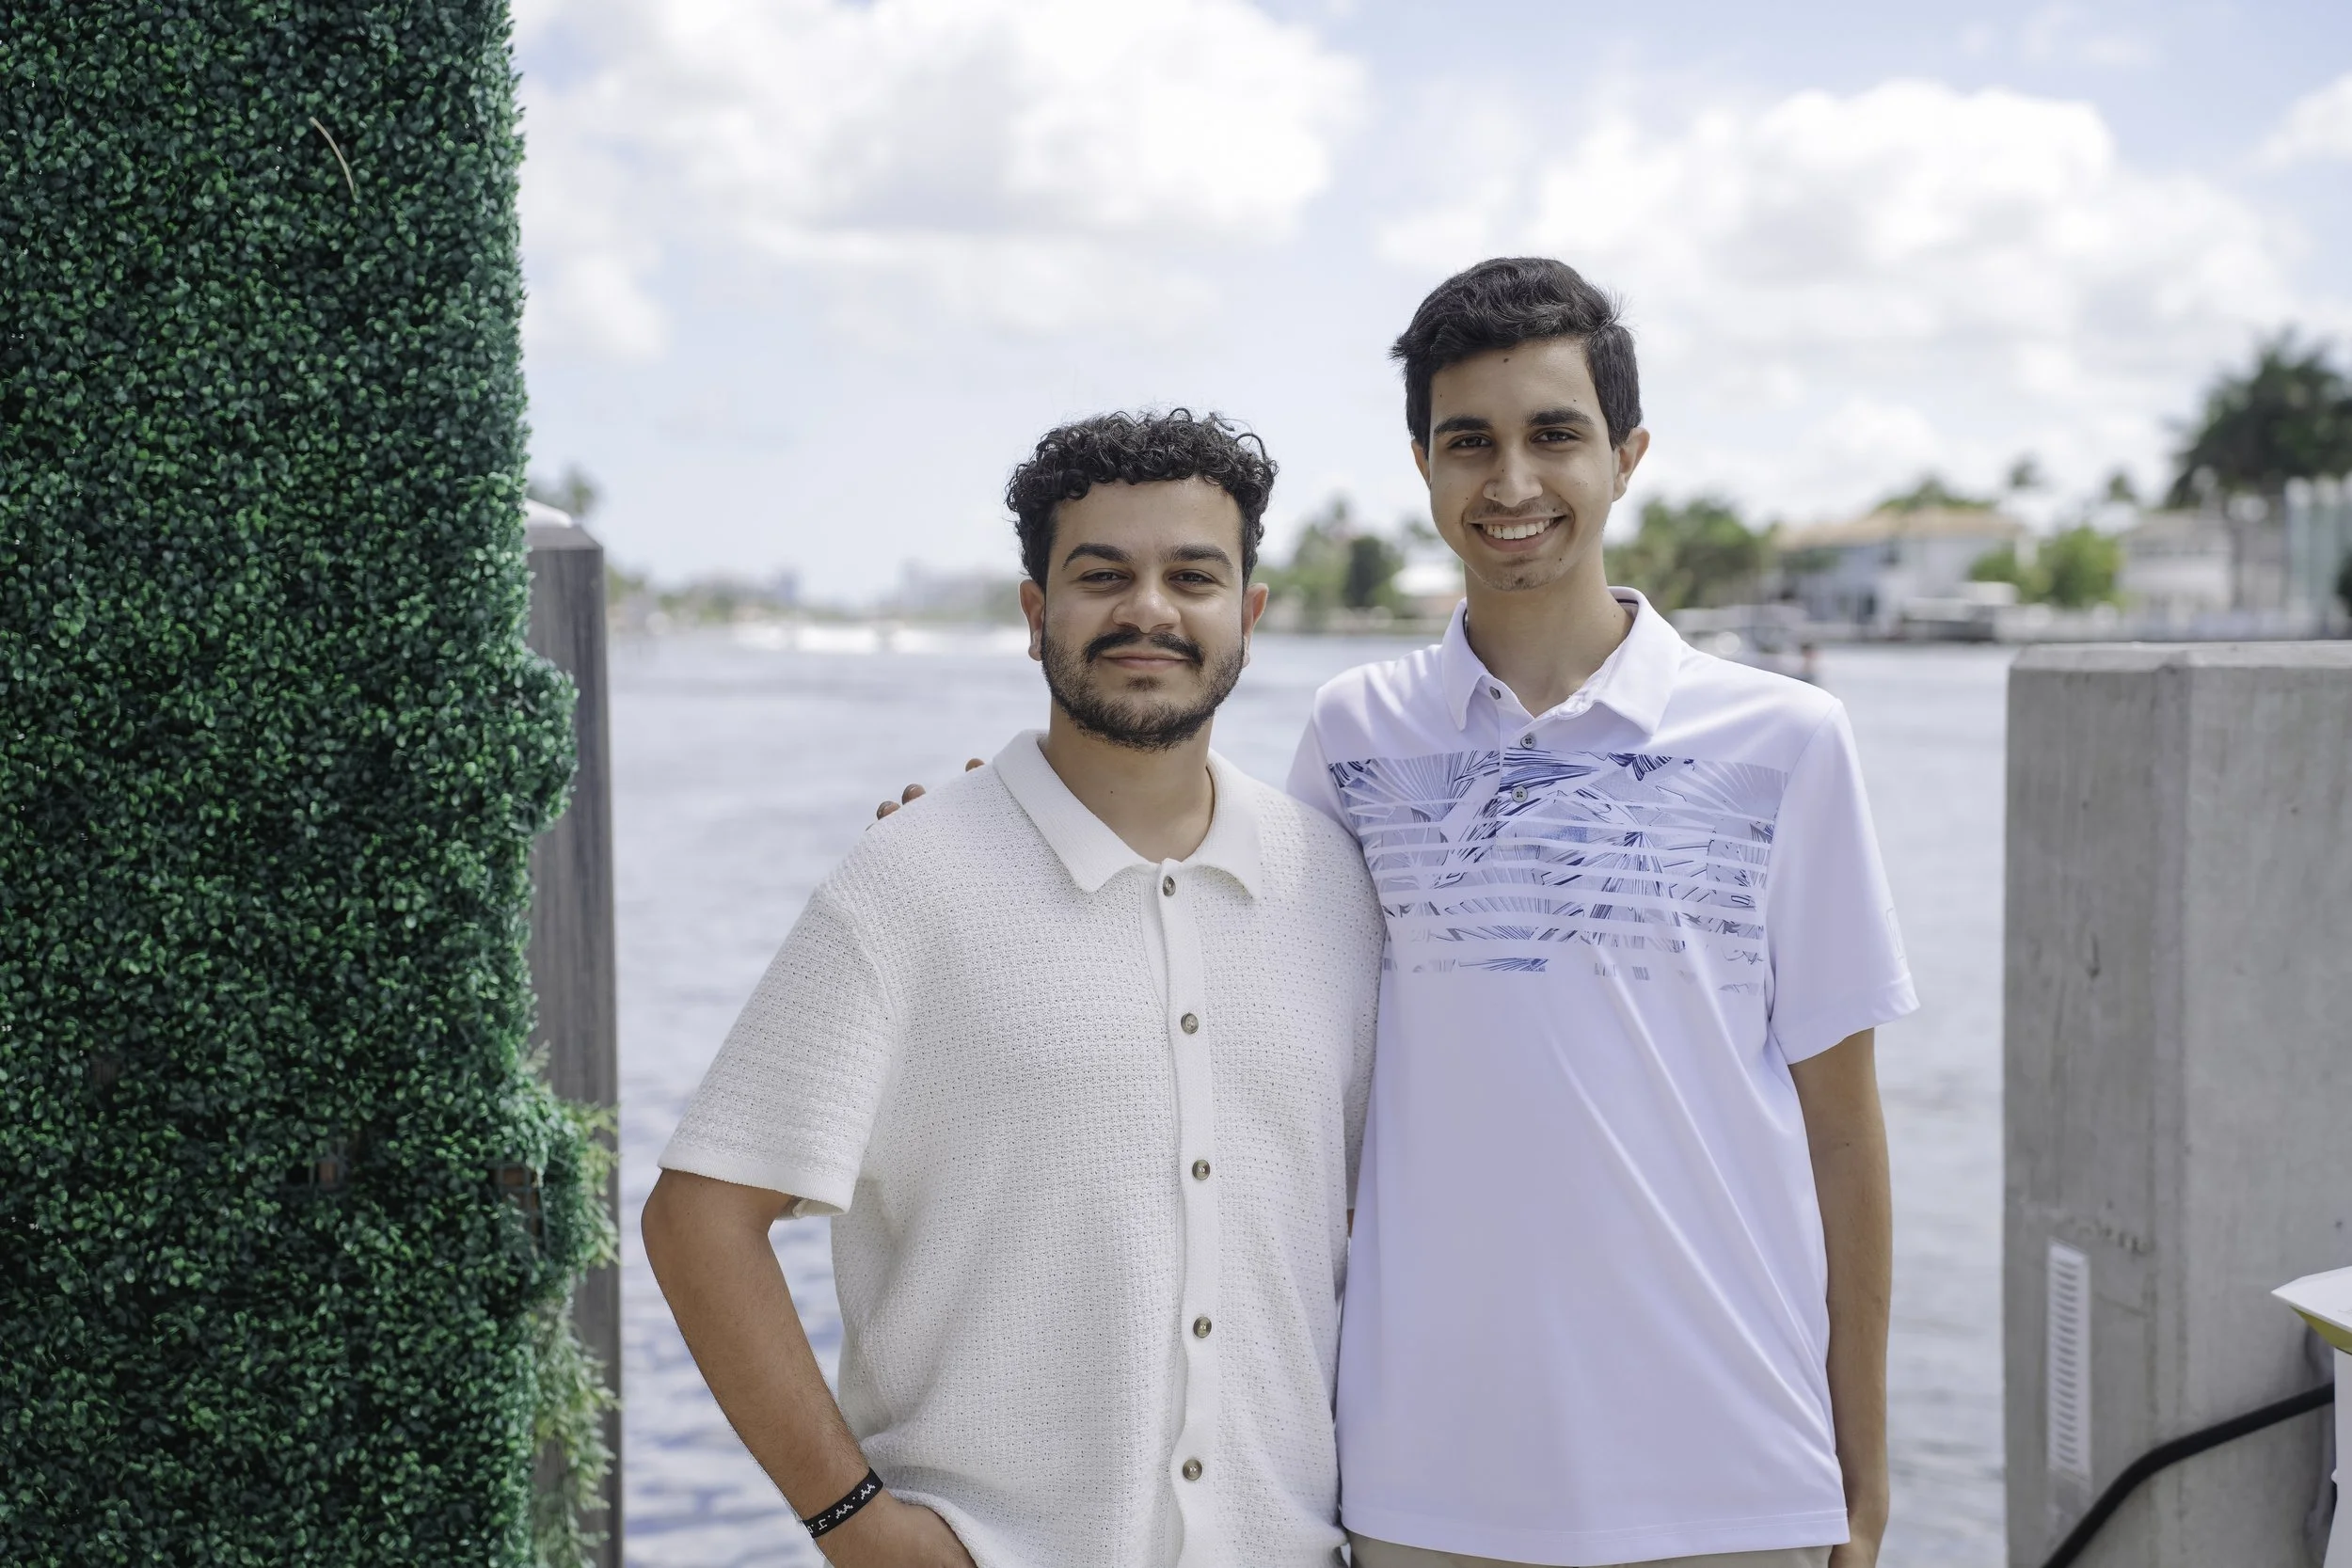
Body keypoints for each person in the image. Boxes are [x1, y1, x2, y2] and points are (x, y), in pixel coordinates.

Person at [643, 410, 1383, 1568]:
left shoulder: (1334, 885)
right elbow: (700, 1220)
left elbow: (1358, 1220)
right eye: (1103, 575)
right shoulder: (910, 879)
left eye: (1192, 574)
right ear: (1037, 616)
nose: (1149, 608)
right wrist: (854, 1524)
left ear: (1248, 614)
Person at [1290, 258, 1915, 1568]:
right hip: (1424, 1488)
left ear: (1626, 456)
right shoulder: (1353, 735)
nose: (1511, 482)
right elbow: (1246, 1011)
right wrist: (972, 831)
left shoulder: (1786, 741)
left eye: (1553, 434)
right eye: (1471, 442)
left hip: (1735, 1487)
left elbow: (1845, 1134)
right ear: (1422, 464)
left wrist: (1862, 1484)